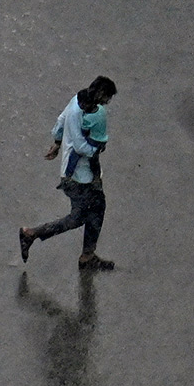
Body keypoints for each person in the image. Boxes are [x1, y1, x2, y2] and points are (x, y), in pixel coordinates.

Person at [19, 76, 118, 271]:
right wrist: (97, 149)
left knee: (91, 211)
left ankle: (86, 255)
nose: (108, 102)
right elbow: (81, 147)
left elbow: (59, 122)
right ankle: (31, 234)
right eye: (107, 97)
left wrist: (57, 142)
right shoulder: (80, 113)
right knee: (86, 214)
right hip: (81, 176)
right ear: (100, 94)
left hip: (73, 174)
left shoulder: (76, 100)